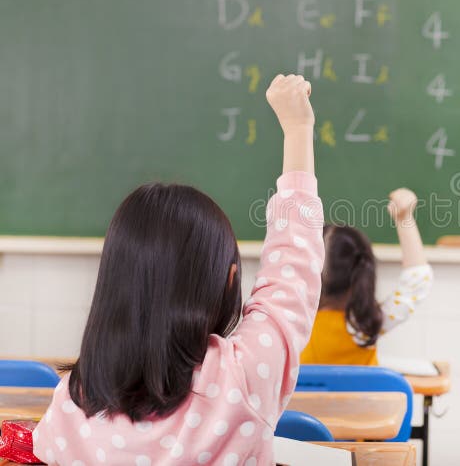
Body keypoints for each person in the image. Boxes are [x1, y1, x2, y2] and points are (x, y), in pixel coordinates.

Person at [34, 74, 324, 465]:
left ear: (113, 284)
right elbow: (293, 264)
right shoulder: (241, 376)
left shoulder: (70, 407)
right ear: (229, 281)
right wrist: (298, 129)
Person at [301, 188, 433, 365]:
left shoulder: (294, 325)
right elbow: (418, 280)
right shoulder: (363, 326)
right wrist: (404, 218)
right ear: (363, 273)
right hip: (364, 394)